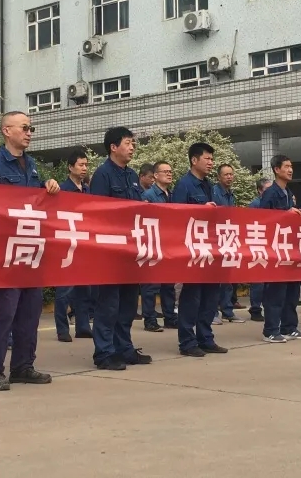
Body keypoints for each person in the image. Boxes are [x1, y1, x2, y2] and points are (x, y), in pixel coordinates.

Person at [0, 111, 59, 391]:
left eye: (30, 128)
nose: (29, 133)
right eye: (24, 128)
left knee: (29, 313)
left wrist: (48, 186)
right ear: (6, 131)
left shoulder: (31, 165)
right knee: (3, 314)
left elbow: (35, 201)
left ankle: (23, 366)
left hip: (30, 250)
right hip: (5, 252)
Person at [89, 127, 150, 371]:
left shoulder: (132, 175)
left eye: (133, 143)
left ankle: (124, 348)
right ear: (113, 147)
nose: (132, 147)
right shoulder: (102, 175)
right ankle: (104, 353)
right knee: (108, 305)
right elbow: (97, 213)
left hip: (130, 250)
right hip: (110, 250)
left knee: (127, 304)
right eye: (127, 143)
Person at [172, 142, 227, 357]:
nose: (211, 163)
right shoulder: (184, 185)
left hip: (209, 248)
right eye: (207, 159)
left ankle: (206, 338)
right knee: (192, 297)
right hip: (193, 249)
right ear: (194, 160)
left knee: (210, 296)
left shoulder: (208, 185)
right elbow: (175, 216)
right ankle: (187, 342)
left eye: (212, 159)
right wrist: (200, 210)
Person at [256, 155, 301, 343]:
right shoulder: (270, 193)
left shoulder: (288, 192)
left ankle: (289, 327)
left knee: (291, 293)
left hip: (289, 250)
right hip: (276, 251)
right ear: (276, 169)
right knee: (276, 293)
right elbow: (264, 220)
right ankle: (271, 330)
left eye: (291, 166)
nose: (290, 170)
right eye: (286, 166)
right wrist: (285, 214)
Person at [55, 151, 94, 343]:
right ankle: (62, 329)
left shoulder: (87, 190)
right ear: (70, 167)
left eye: (86, 165)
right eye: (80, 165)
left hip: (83, 243)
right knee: (64, 290)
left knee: (84, 289)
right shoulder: (62, 190)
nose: (84, 168)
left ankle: (83, 327)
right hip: (66, 243)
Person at [140, 161, 177, 332]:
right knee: (151, 285)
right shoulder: (148, 195)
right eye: (165, 171)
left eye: (170, 171)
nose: (169, 174)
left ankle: (170, 318)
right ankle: (150, 320)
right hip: (153, 243)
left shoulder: (171, 195)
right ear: (155, 175)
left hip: (168, 244)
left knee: (168, 284)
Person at [211, 164, 245, 325]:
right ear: (219, 177)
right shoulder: (214, 192)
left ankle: (227, 310)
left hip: (228, 238)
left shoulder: (231, 194)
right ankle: (213, 312)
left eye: (231, 174)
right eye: (226, 175)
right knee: (215, 279)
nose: (229, 177)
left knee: (227, 278)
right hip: (215, 239)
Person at [247, 178, 272, 322]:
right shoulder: (255, 205)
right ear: (259, 190)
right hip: (257, 245)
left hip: (269, 245)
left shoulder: (271, 203)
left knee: (268, 281)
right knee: (258, 280)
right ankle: (255, 309)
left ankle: (266, 307)